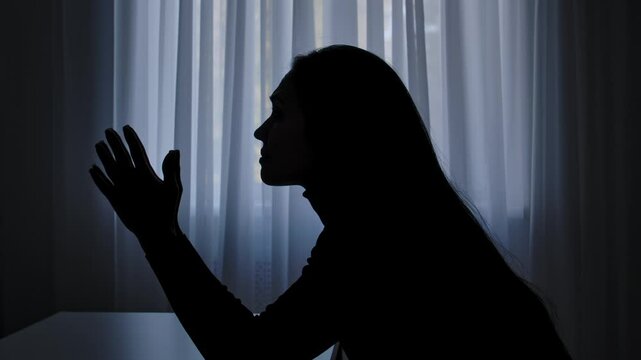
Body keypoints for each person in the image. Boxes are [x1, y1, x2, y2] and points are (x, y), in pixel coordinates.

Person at [90, 45, 572, 359]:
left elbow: (250, 355)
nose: (261, 131)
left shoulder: (376, 238)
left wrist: (159, 235)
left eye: (278, 114)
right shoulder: (396, 219)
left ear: (333, 127)